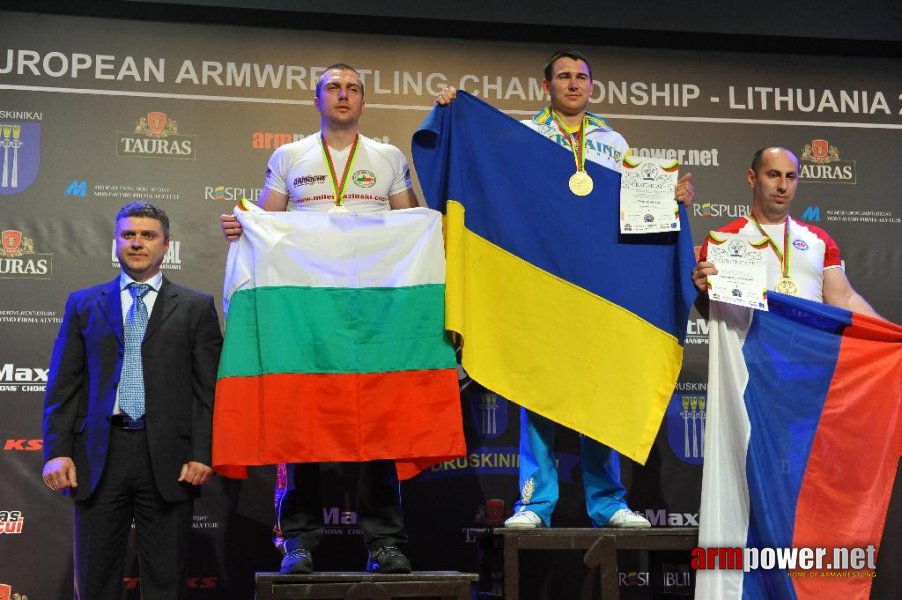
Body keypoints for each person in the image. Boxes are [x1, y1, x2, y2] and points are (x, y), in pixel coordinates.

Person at [435, 49, 695, 530]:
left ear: (592, 87)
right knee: (536, 389)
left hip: (595, 286)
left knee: (601, 394)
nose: (574, 84)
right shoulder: (527, 135)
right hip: (543, 281)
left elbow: (635, 210)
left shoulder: (612, 141)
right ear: (545, 86)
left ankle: (609, 503)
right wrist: (454, 110)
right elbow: (489, 176)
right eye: (564, 77)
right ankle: (534, 504)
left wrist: (670, 198)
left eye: (582, 77)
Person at [219, 63, 417, 574]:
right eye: (333, 87)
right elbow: (267, 223)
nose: (344, 95)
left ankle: (385, 543)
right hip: (307, 312)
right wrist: (242, 228)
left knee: (377, 425)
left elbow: (411, 223)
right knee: (300, 422)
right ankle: (299, 541)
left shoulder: (388, 157)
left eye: (353, 88)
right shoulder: (289, 156)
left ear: (364, 101)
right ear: (317, 100)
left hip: (371, 311)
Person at [42, 201, 223, 600]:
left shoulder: (195, 307)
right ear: (116, 242)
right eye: (128, 235)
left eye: (147, 235)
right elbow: (63, 385)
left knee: (166, 581)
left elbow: (207, 390)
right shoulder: (83, 303)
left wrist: (203, 452)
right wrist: (57, 451)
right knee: (94, 580)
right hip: (98, 455)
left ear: (166, 245)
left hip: (170, 459)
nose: (137, 243)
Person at [692, 146, 880, 317]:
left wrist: (894, 337)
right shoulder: (723, 240)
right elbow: (714, 313)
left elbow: (845, 299)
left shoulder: (818, 239)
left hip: (807, 352)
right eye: (773, 175)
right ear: (752, 178)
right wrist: (702, 291)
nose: (783, 186)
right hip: (750, 352)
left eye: (790, 176)